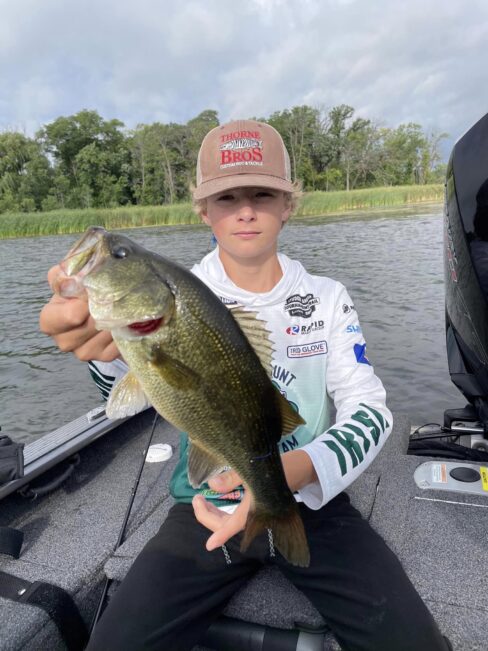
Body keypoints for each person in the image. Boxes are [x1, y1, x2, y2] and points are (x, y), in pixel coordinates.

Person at [40, 119, 451, 651]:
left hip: (308, 499)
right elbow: (125, 397)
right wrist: (97, 348)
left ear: (288, 204)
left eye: (262, 194)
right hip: (203, 504)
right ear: (203, 210)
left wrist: (293, 471)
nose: (246, 210)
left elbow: (370, 410)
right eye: (227, 197)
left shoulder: (326, 298)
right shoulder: (175, 293)